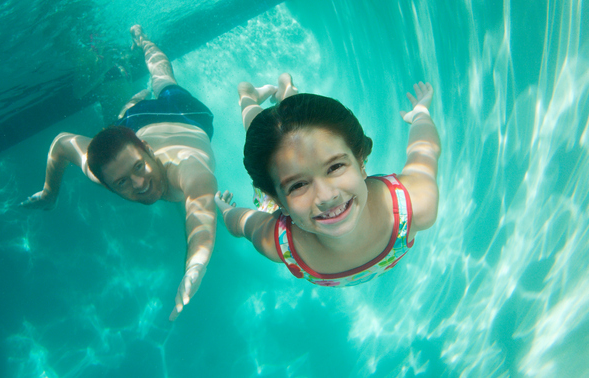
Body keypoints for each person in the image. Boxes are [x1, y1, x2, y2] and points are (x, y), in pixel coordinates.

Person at [22, 25, 218, 319]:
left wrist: (196, 266)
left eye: (139, 167)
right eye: (122, 182)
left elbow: (200, 206)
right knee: (118, 120)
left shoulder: (189, 167)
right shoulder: (99, 171)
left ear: (148, 151)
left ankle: (143, 41)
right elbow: (62, 143)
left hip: (187, 115)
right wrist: (50, 193)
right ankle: (123, 84)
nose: (140, 184)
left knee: (163, 76)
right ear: (108, 186)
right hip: (135, 125)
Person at [215, 75, 440, 287]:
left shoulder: (414, 205)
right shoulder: (280, 244)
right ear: (278, 201)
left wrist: (420, 114)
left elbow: (424, 151)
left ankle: (285, 96)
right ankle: (248, 97)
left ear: (361, 162)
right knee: (265, 138)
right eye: (298, 185)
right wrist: (224, 211)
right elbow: (242, 223)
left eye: (335, 167)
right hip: (285, 201)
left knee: (287, 136)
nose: (327, 197)